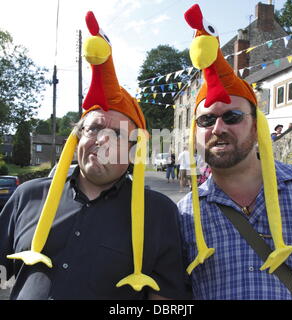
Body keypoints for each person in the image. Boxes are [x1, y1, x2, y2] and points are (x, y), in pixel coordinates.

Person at [0, 12, 190, 300]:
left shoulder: (159, 213)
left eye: (115, 134)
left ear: (133, 149)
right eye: (95, 128)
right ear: (77, 137)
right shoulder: (27, 196)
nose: (101, 139)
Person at [178, 4, 292, 300]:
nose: (218, 127)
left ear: (257, 125)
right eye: (206, 120)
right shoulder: (183, 216)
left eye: (232, 117)